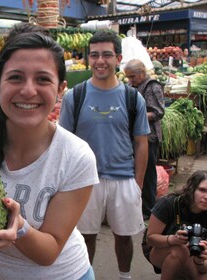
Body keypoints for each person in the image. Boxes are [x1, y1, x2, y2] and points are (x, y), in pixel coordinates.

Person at [0, 31, 99, 280]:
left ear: (60, 89)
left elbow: (49, 252)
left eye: (43, 79)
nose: (29, 91)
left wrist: (19, 227)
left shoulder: (76, 156)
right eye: (16, 78)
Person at [59, 30, 150, 280]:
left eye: (107, 55)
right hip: (85, 181)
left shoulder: (133, 98)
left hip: (123, 179)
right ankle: (83, 276)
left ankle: (125, 276)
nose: (100, 60)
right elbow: (63, 142)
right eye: (95, 55)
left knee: (124, 235)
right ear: (88, 58)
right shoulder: (74, 97)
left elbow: (141, 142)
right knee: (84, 237)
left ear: (118, 58)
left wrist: (138, 183)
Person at [124, 59, 165, 221]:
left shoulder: (152, 87)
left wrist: (136, 116)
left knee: (147, 174)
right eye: (128, 77)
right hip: (135, 136)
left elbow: (158, 112)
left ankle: (148, 210)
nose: (130, 80)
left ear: (142, 72)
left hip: (150, 137)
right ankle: (137, 207)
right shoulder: (133, 87)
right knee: (137, 172)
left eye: (132, 76)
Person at [146, 170, 207, 279]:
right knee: (179, 250)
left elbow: (204, 268)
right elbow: (150, 238)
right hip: (159, 248)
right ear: (192, 189)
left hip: (193, 255)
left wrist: (200, 260)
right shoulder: (169, 203)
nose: (206, 196)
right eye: (202, 190)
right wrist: (172, 239)